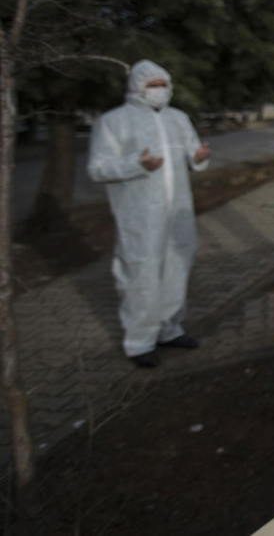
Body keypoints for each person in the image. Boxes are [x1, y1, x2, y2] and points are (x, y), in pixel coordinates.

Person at [87, 60, 210, 368]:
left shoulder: (178, 118)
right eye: (151, 85)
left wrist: (198, 158)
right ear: (136, 87)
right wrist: (136, 165)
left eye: (162, 84)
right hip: (139, 214)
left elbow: (192, 152)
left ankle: (169, 328)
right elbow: (98, 168)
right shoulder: (114, 122)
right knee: (141, 274)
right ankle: (139, 341)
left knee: (177, 268)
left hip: (178, 210)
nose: (158, 91)